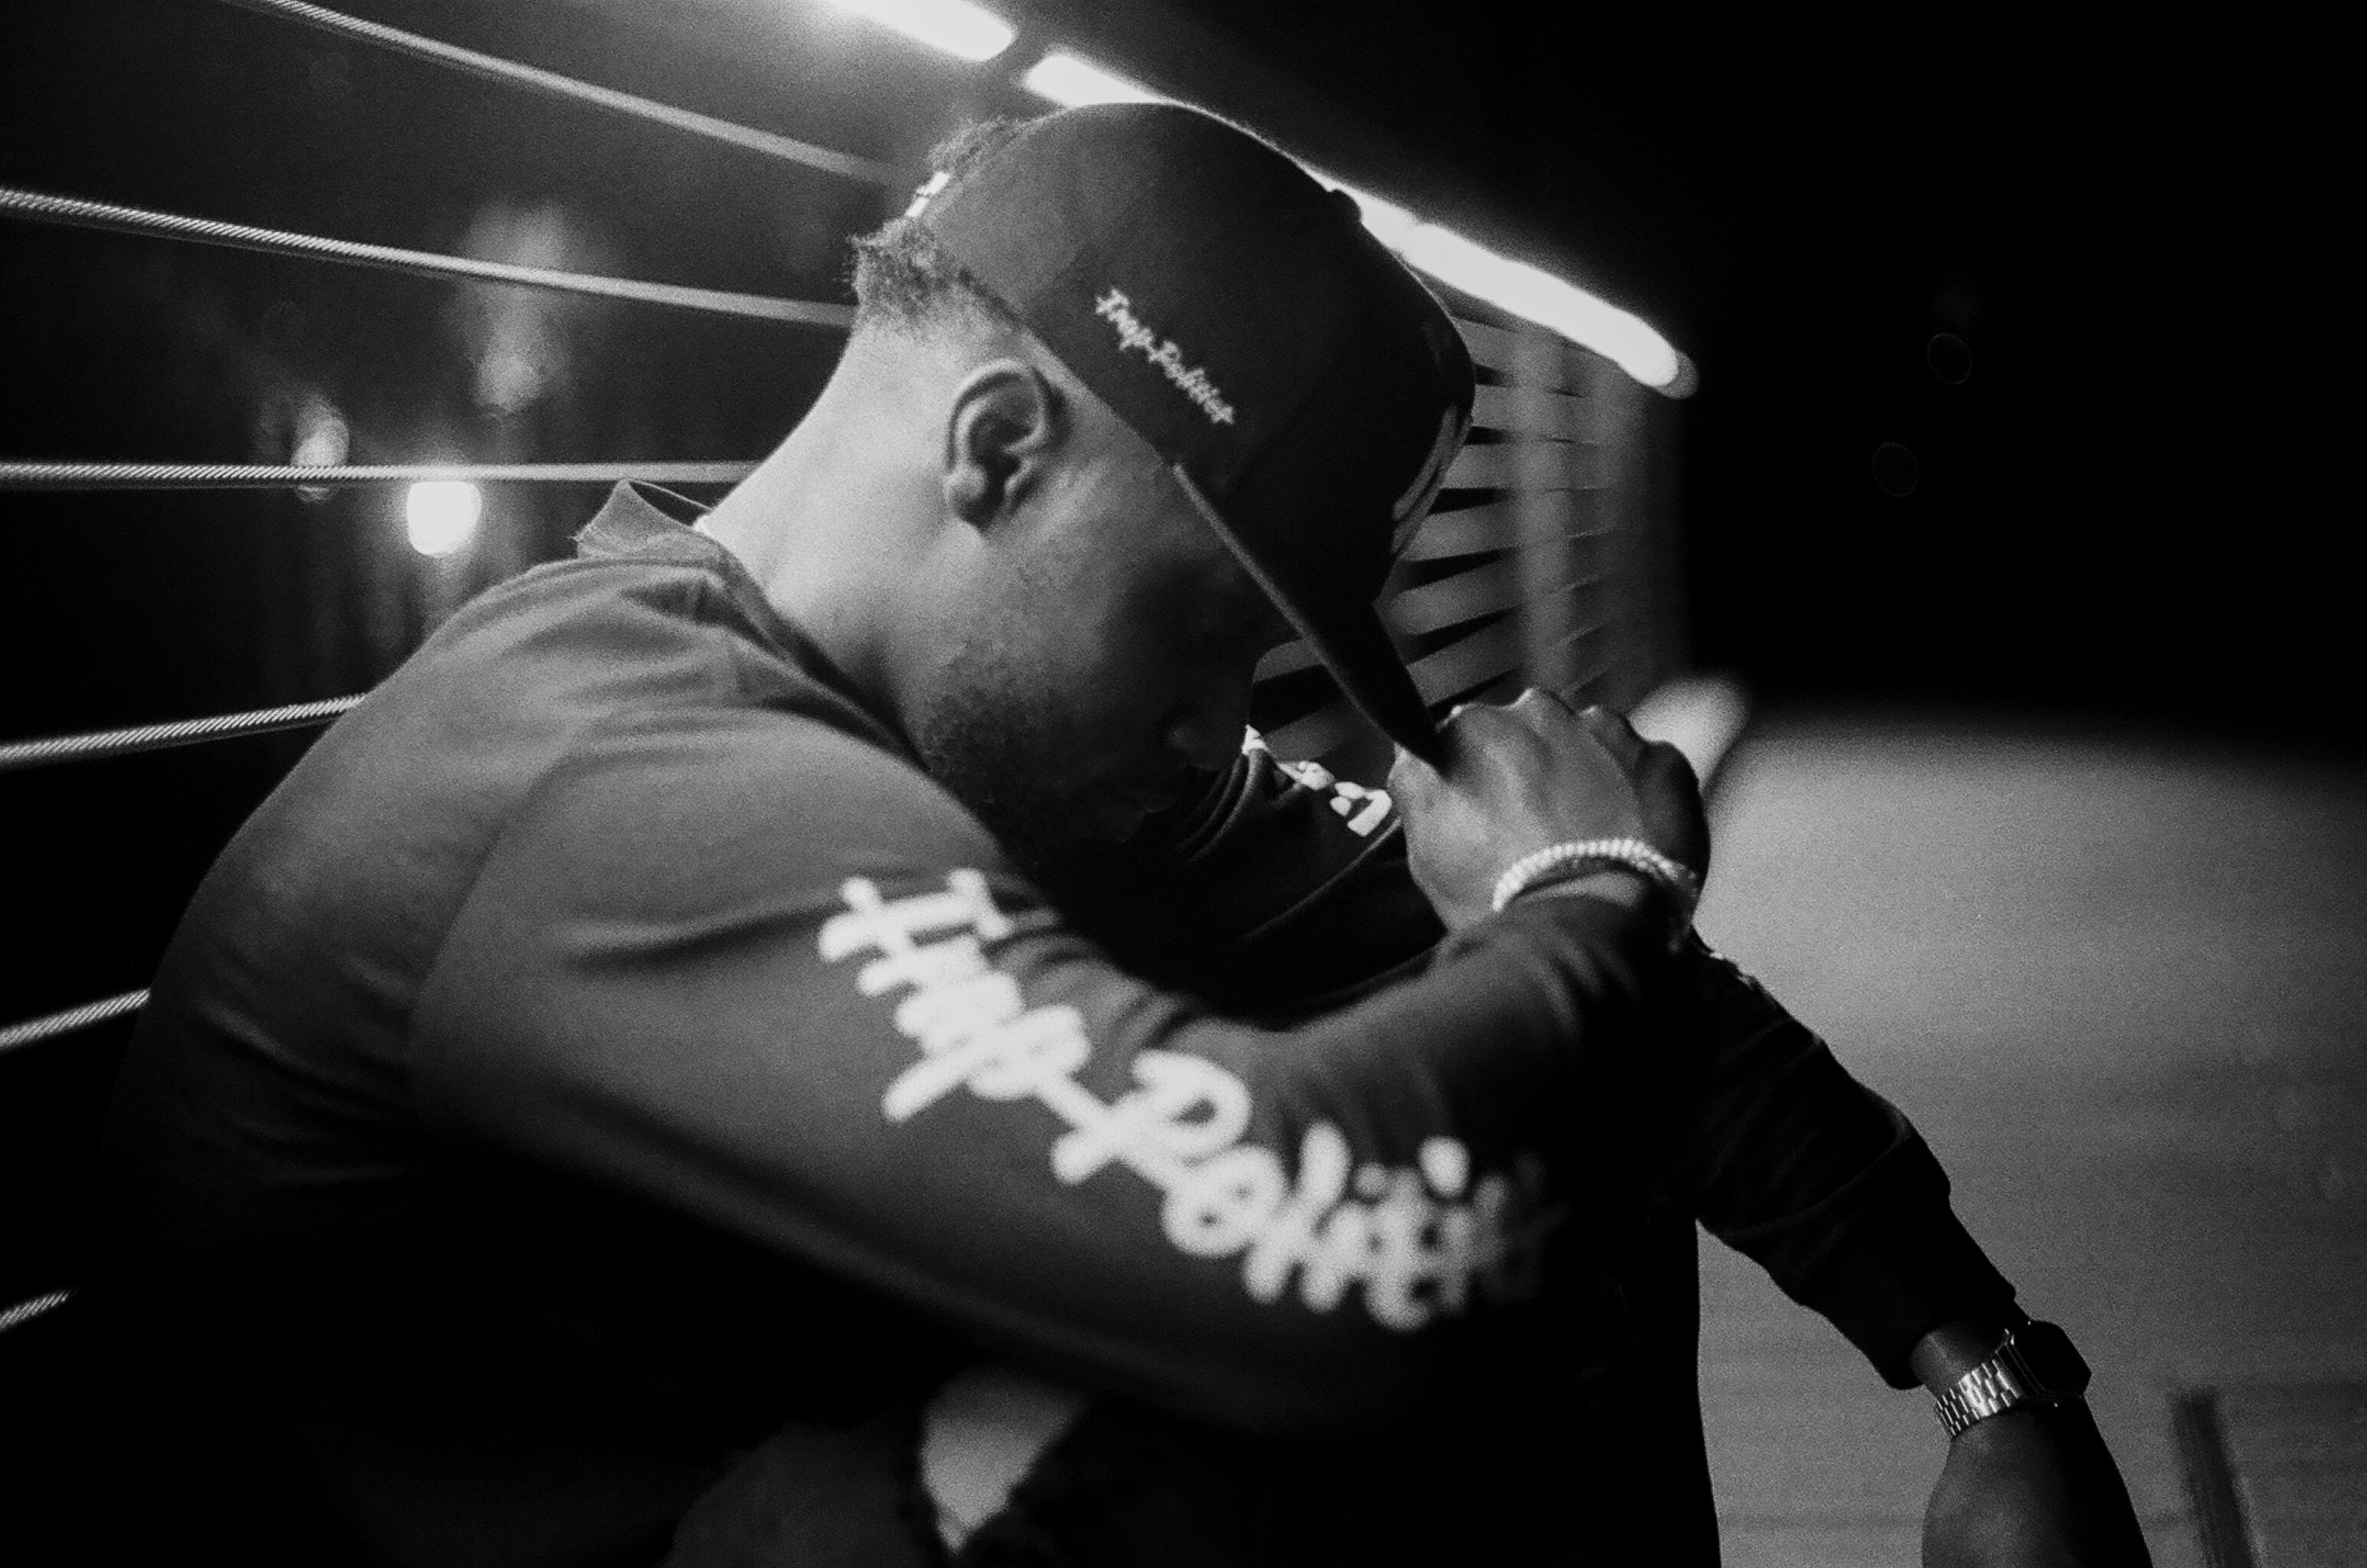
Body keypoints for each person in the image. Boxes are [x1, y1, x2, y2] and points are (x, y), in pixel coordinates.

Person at [81, 103, 2143, 1566]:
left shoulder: (1037, 753)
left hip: (760, 1485)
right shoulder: (609, 773)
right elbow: (1325, 1257)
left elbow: (1632, 1015)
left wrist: (1986, 1387)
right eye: (1203, 629)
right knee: (1372, 1277)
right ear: (997, 449)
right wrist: (1580, 901)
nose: (1221, 720)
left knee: (1544, 1079)